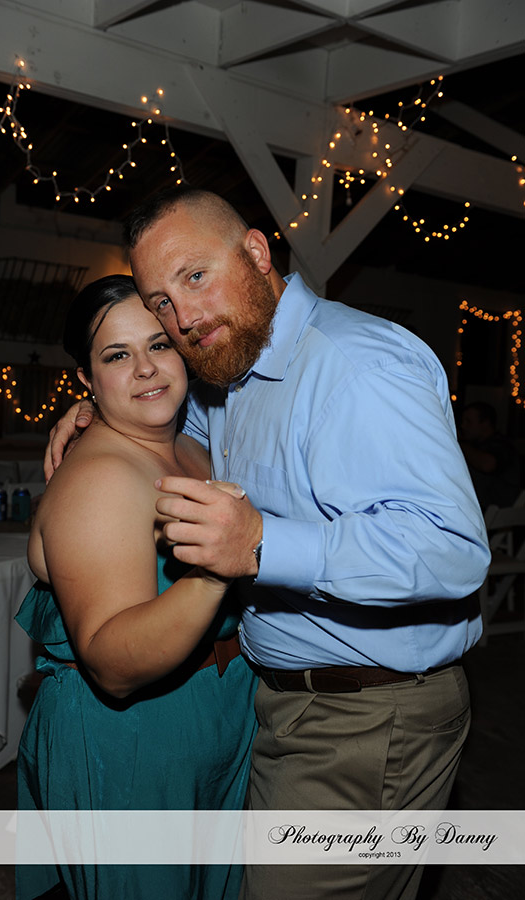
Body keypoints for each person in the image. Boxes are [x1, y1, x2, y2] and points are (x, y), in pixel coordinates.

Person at [46, 188, 491, 900]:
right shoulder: (231, 364)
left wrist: (260, 544)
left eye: (196, 276)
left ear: (255, 252)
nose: (184, 318)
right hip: (284, 708)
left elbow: (452, 549)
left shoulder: (356, 365)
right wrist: (96, 411)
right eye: (162, 303)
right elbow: (173, 423)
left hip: (368, 715)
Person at [17, 274, 257, 900]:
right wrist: (215, 568)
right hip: (132, 739)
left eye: (159, 344)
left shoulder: (193, 446)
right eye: (117, 355)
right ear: (86, 378)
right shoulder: (100, 477)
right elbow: (110, 664)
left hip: (211, 712)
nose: (146, 369)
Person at [459, 400, 521, 510]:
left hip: (496, 512)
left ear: (485, 424)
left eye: (469, 422)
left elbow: (487, 464)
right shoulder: (476, 445)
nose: (463, 426)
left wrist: (459, 443)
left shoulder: (503, 445)